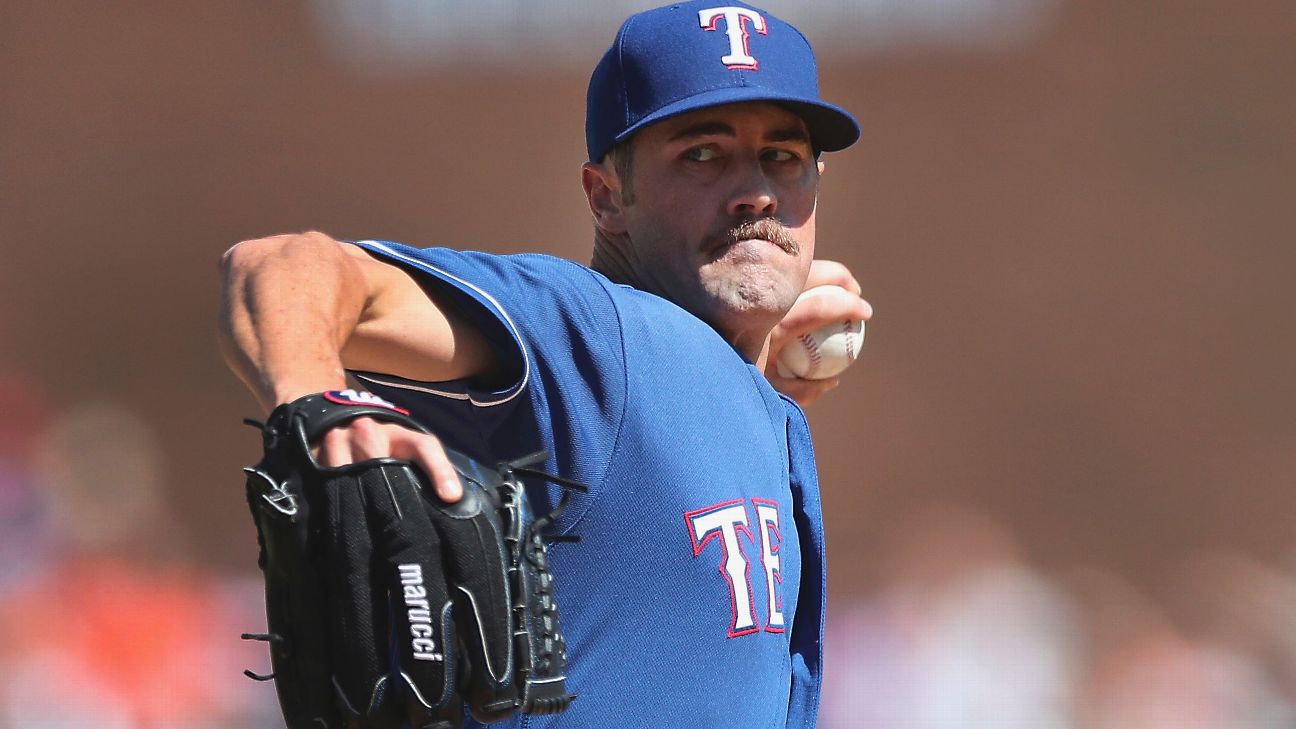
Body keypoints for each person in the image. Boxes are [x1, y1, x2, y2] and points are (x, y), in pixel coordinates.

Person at [219, 2, 871, 726]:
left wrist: (753, 381)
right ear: (607, 197)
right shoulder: (595, 333)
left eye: (781, 156)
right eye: (702, 153)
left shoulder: (731, 391)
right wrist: (318, 403)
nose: (755, 190)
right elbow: (277, 265)